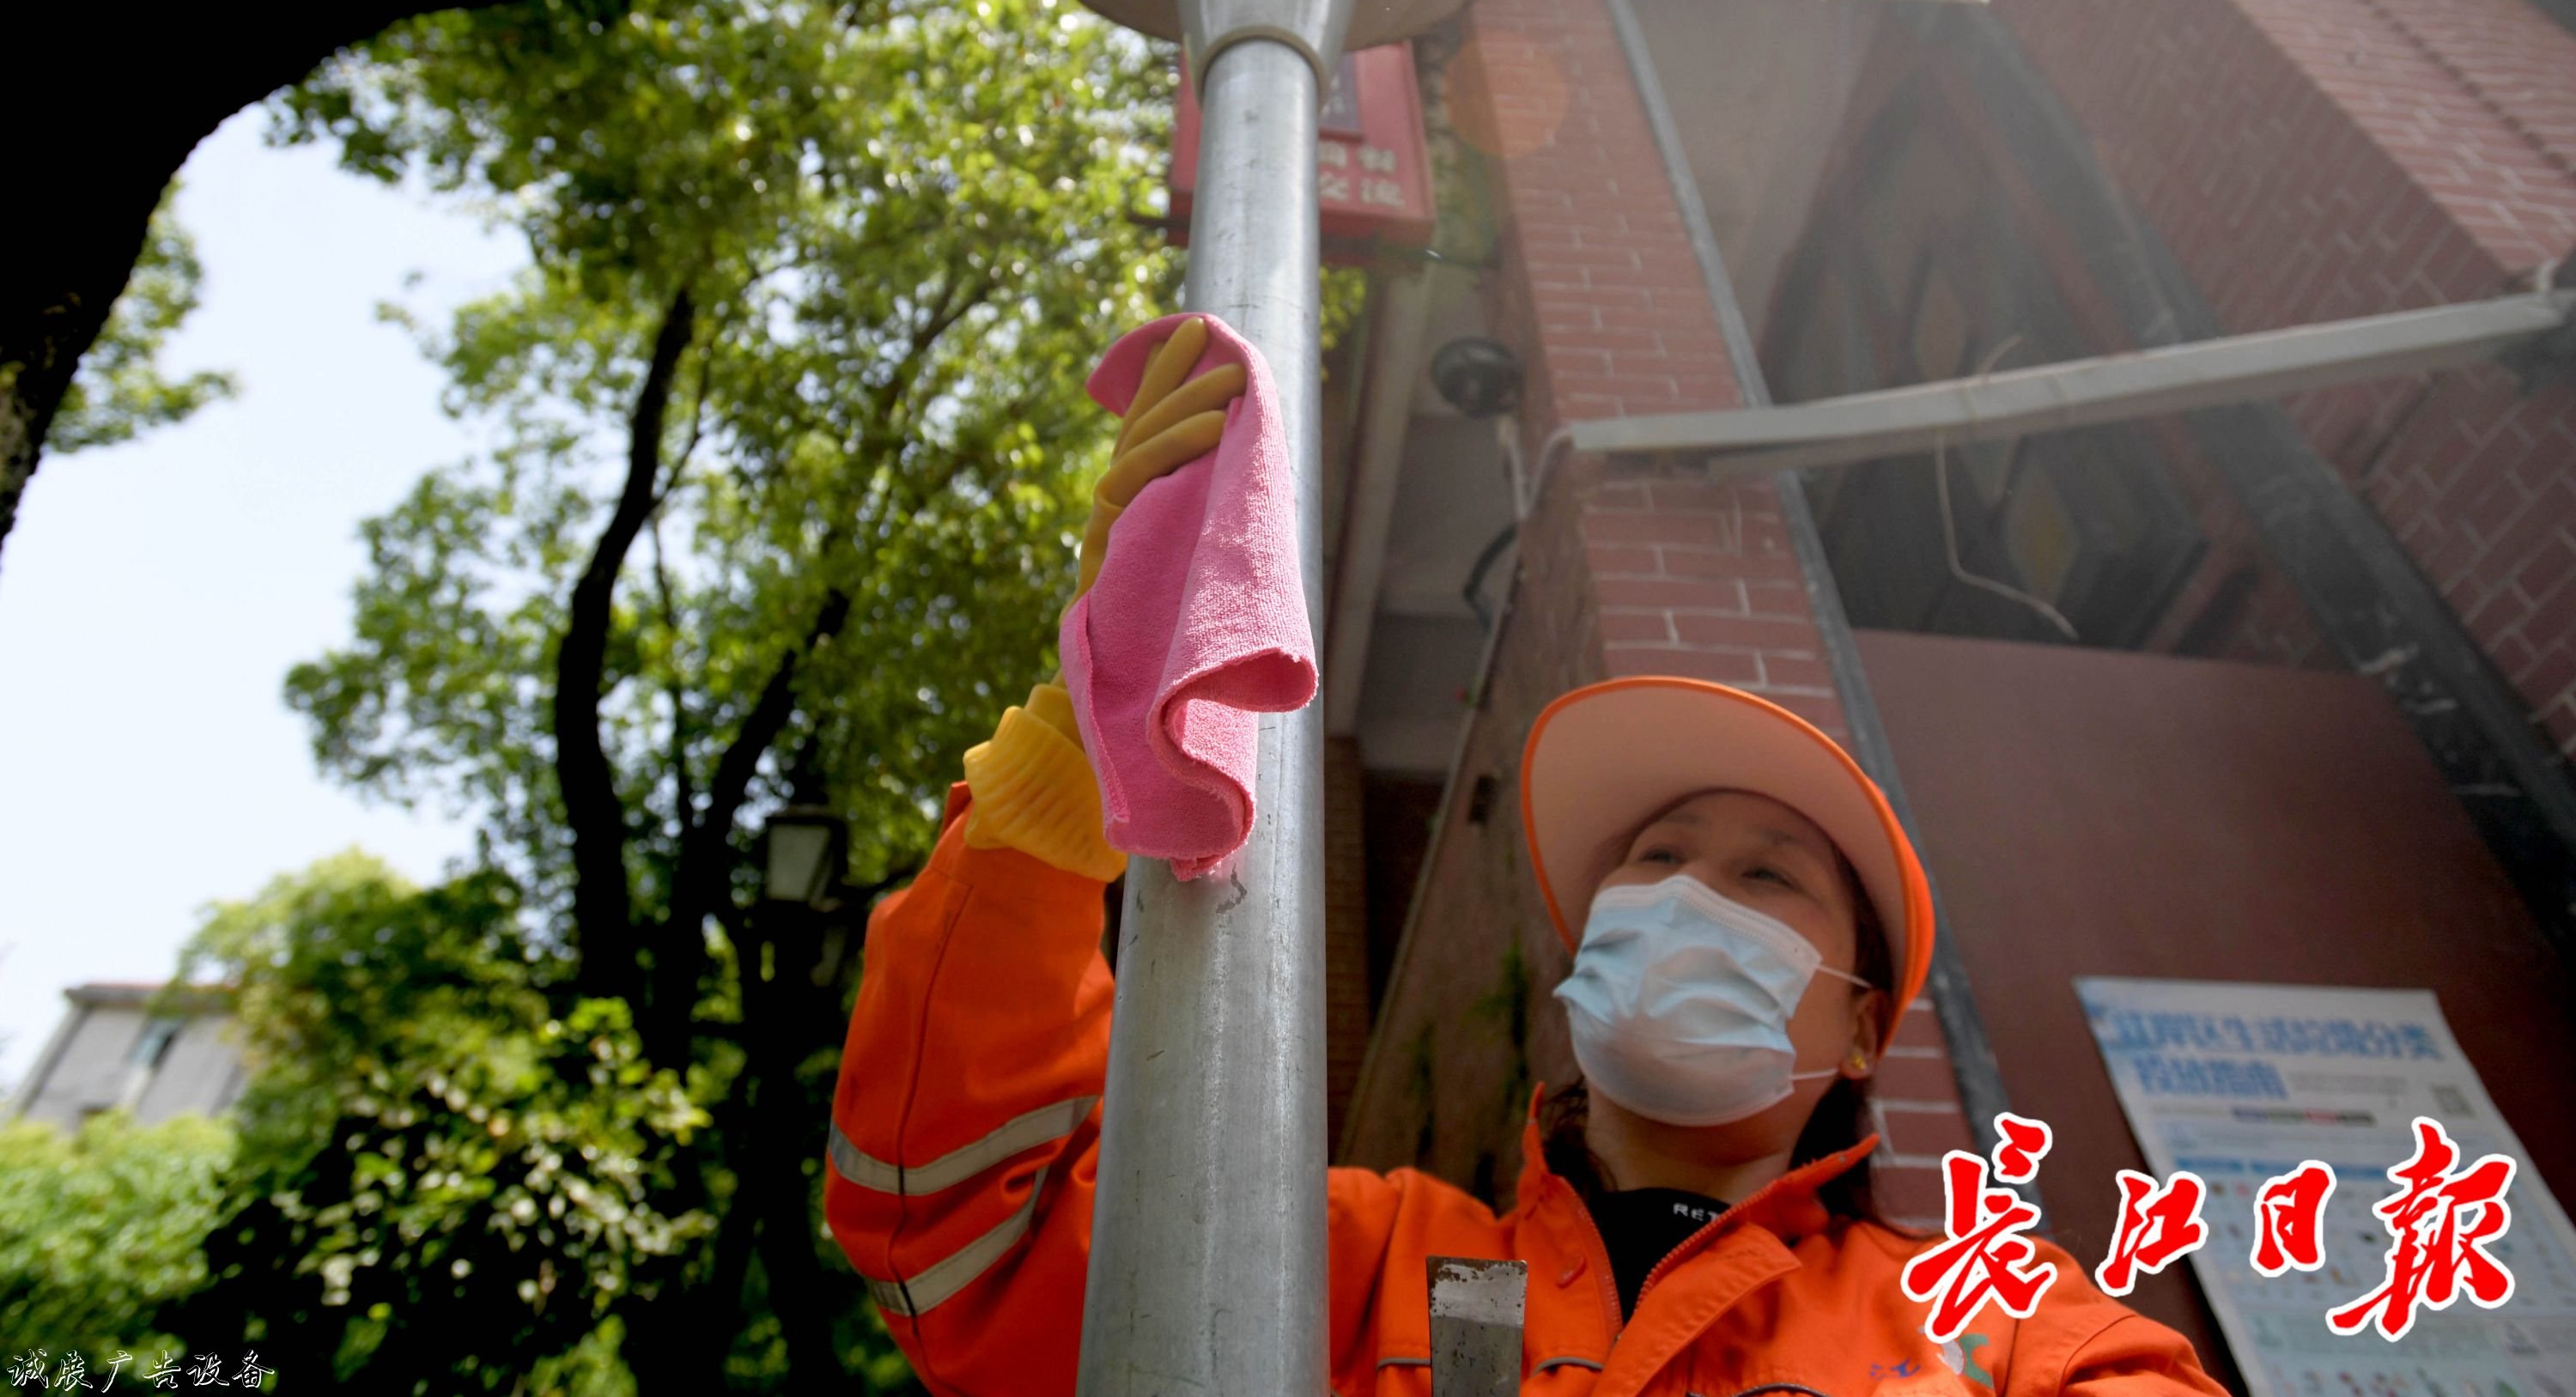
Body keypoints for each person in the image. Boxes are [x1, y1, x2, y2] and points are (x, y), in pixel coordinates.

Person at [823, 319, 2225, 1397]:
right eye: (1658, 856)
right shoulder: (1359, 1262)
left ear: (1863, 1025)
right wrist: (1083, 746)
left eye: (1766, 876)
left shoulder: (1999, 1324)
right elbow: (966, 1228)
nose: (1688, 893)